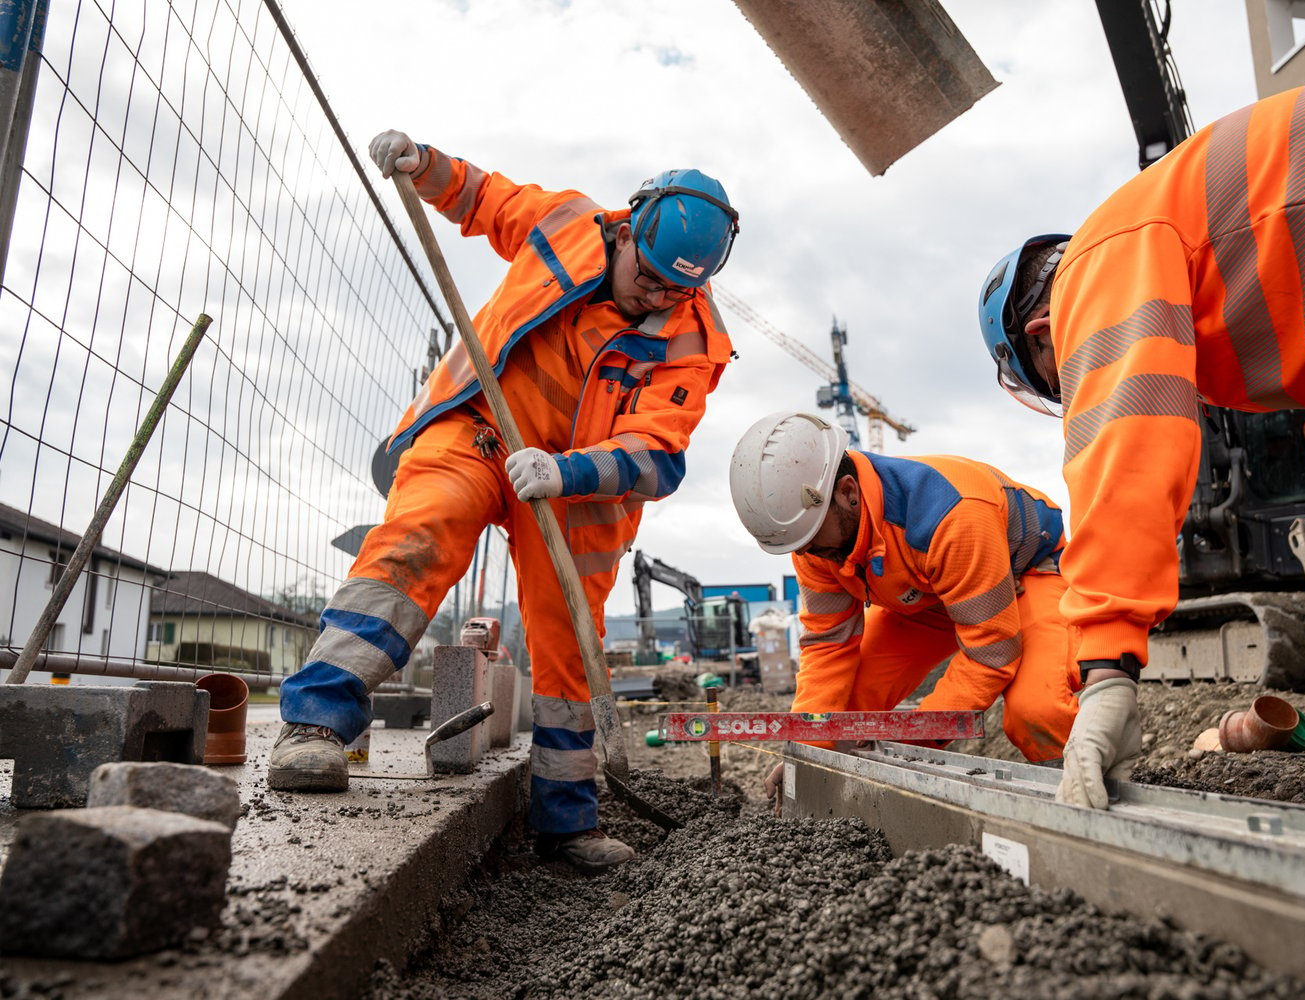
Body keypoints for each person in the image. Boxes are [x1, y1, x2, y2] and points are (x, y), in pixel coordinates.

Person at [978, 46, 1305, 827]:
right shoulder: (1169, 230)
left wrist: (1107, 669)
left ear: (1046, 333)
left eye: (1064, 377)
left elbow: (1121, 449)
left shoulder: (1098, 262)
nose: (1079, 382)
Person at [268, 129, 741, 872]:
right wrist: (424, 166)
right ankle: (315, 725)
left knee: (569, 645)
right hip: (480, 424)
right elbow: (486, 198)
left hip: (575, 489)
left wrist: (566, 474)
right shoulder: (565, 221)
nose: (655, 296)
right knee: (422, 533)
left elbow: (659, 458)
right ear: (626, 229)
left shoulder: (695, 340)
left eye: (674, 289)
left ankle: (566, 824)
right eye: (646, 276)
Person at [728, 411, 1081, 799]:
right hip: (928, 596)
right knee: (843, 715)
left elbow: (992, 652)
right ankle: (834, 806)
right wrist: (804, 753)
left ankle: (1079, 796)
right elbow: (827, 646)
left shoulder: (950, 514)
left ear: (848, 492)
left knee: (1037, 711)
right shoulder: (812, 539)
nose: (809, 555)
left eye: (812, 540)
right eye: (800, 547)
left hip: (1024, 575)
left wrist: (914, 738)